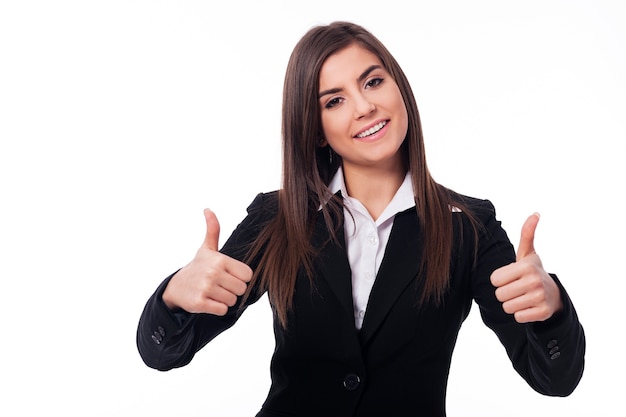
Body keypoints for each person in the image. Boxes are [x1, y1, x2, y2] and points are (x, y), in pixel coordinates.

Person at [136, 21, 585, 416]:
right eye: (334, 101)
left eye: (372, 83)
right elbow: (166, 352)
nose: (363, 107)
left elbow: (554, 379)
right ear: (314, 128)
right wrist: (175, 296)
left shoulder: (469, 226)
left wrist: (552, 309)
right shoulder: (278, 217)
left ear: (399, 89)